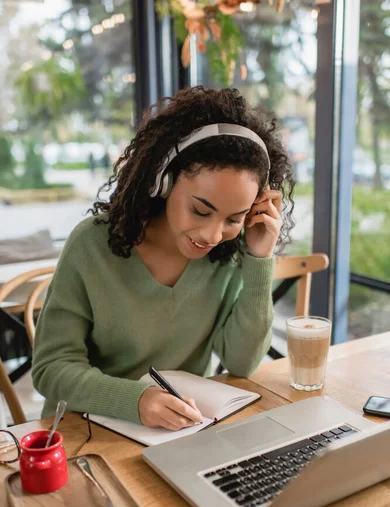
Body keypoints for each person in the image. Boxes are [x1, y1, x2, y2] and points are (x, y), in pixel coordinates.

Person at [32, 86, 295, 431]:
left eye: (234, 219)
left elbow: (242, 363)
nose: (212, 235)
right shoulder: (91, 244)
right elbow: (51, 368)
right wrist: (136, 400)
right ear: (162, 181)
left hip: (176, 431)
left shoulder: (227, 255)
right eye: (201, 210)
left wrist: (260, 257)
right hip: (84, 432)